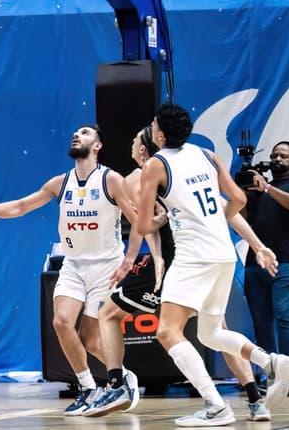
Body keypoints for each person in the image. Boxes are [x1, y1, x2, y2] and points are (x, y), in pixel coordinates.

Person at [87, 125, 275, 421]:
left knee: (110, 314)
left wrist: (153, 260)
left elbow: (143, 228)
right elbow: (230, 209)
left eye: (135, 140)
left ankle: (118, 385)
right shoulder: (187, 169)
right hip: (207, 258)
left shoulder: (137, 178)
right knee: (217, 331)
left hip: (176, 262)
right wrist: (258, 245)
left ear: (142, 149)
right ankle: (255, 398)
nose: (132, 143)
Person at [0, 124, 144, 416]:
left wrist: (129, 259)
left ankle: (124, 377)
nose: (77, 135)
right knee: (61, 322)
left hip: (106, 267)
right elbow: (21, 207)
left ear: (98, 146)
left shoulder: (111, 180)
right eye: (75, 133)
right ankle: (88, 388)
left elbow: (138, 221)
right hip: (73, 265)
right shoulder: (60, 183)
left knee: (91, 341)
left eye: (85, 133)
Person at [136, 103, 289, 427]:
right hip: (223, 253)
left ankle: (216, 406)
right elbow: (239, 200)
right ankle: (269, 361)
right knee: (210, 333)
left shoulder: (155, 164)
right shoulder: (206, 155)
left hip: (194, 255)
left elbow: (142, 226)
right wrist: (214, 222)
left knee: (167, 332)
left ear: (160, 135)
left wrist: (165, 218)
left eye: (153, 123)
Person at [242, 140, 289, 393]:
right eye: (274, 155)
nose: (277, 159)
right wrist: (242, 195)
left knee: (285, 319)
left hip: (285, 262)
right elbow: (241, 223)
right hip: (255, 263)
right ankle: (269, 375)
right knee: (261, 322)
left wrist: (267, 188)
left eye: (284, 156)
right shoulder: (256, 191)